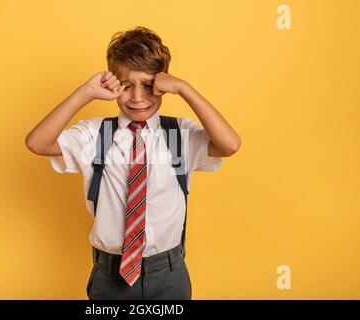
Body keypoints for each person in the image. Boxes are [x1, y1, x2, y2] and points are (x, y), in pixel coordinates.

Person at [25, 26, 241, 300]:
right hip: (110, 273)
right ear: (113, 84)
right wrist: (86, 92)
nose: (138, 98)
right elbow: (37, 143)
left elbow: (230, 145)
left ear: (164, 84)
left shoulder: (179, 135)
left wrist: (185, 89)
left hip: (169, 272)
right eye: (126, 86)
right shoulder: (95, 135)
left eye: (150, 86)